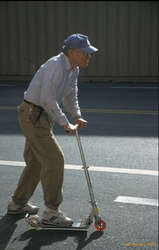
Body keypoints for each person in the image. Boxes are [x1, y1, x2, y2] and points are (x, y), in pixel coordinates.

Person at [7, 33, 98, 227]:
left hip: (42, 115)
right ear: (72, 52)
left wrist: (77, 115)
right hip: (32, 114)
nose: (89, 56)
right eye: (85, 53)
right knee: (54, 159)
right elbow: (48, 98)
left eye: (89, 53)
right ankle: (51, 212)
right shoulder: (55, 66)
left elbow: (71, 94)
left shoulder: (74, 68)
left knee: (36, 163)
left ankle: (17, 203)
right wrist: (65, 123)